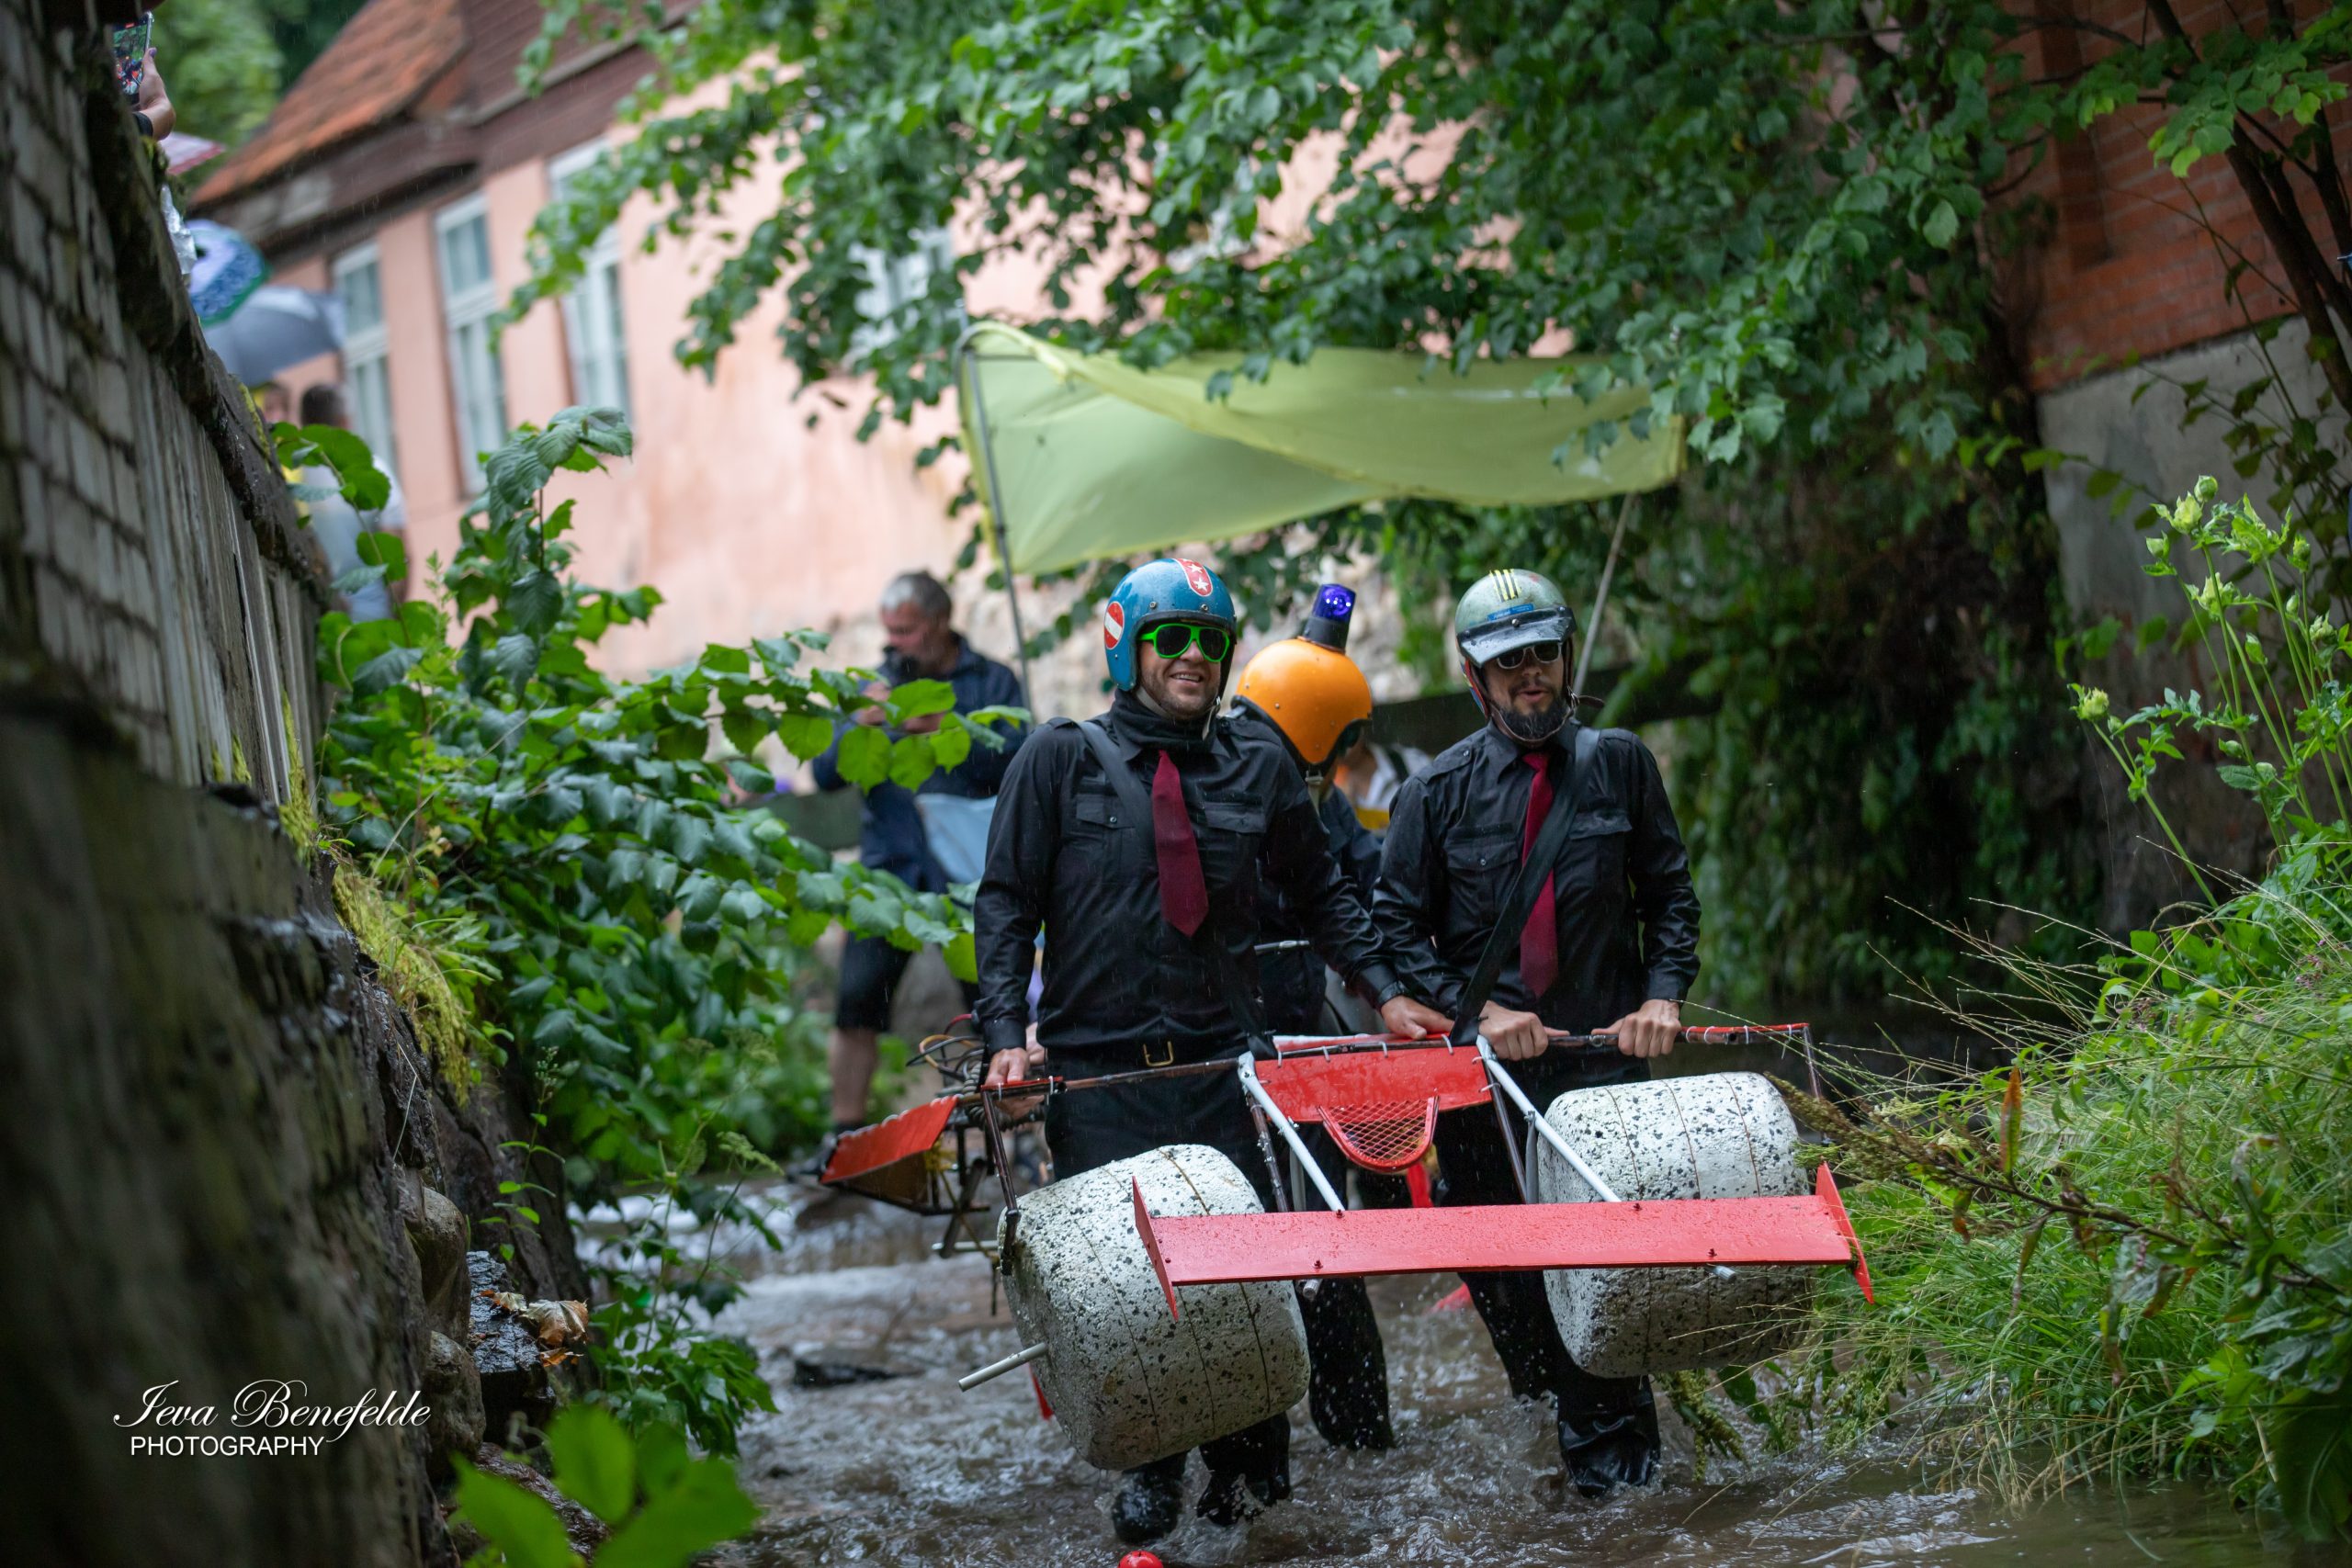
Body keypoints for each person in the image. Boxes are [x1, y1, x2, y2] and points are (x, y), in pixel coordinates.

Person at [975, 558, 1448, 1544]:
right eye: (1171, 639)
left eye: (1210, 640)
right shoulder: (1057, 760)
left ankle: (1252, 1484)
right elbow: (1007, 903)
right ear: (1128, 649)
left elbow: (1323, 894)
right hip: (1099, 1080)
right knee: (1130, 1291)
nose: (1192, 655)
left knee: (1240, 1286)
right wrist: (1005, 1038)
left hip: (1222, 1073)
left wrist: (1388, 992)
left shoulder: (1258, 764)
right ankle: (1151, 1470)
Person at [1373, 566, 1701, 1497]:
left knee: (1603, 1285)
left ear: (1566, 656)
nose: (1530, 675)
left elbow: (1670, 897)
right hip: (1484, 1087)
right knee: (1515, 1300)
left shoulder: (1621, 764)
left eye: (1543, 655)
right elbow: (1395, 929)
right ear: (1475, 677)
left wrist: (1663, 998)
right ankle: (1567, 1462)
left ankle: (1619, 1500)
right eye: (1507, 661)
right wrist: (1478, 1012)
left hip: (1603, 1070)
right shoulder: (1434, 794)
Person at [1227, 581, 1403, 1452]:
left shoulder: (1324, 807)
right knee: (1242, 1252)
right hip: (1222, 1052)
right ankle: (1257, 1452)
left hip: (1303, 1047)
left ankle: (1359, 1437)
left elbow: (1362, 896)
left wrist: (1398, 990)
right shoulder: (1208, 785)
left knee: (1328, 1242)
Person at [811, 570, 1024, 1151]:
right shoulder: (874, 687)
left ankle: (1011, 1136)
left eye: (905, 631)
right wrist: (858, 722)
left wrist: (946, 730)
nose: (894, 643)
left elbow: (1021, 760)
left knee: (994, 1009)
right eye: (890, 631)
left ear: (939, 622)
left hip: (972, 875)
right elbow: (825, 773)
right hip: (889, 876)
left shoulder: (992, 681)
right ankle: (844, 1139)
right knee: (856, 1005)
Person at [296, 384, 407, 622]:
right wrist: (397, 619)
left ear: (304, 425)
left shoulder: (296, 479)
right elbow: (397, 557)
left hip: (320, 620)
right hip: (375, 618)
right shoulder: (375, 474)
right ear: (344, 422)